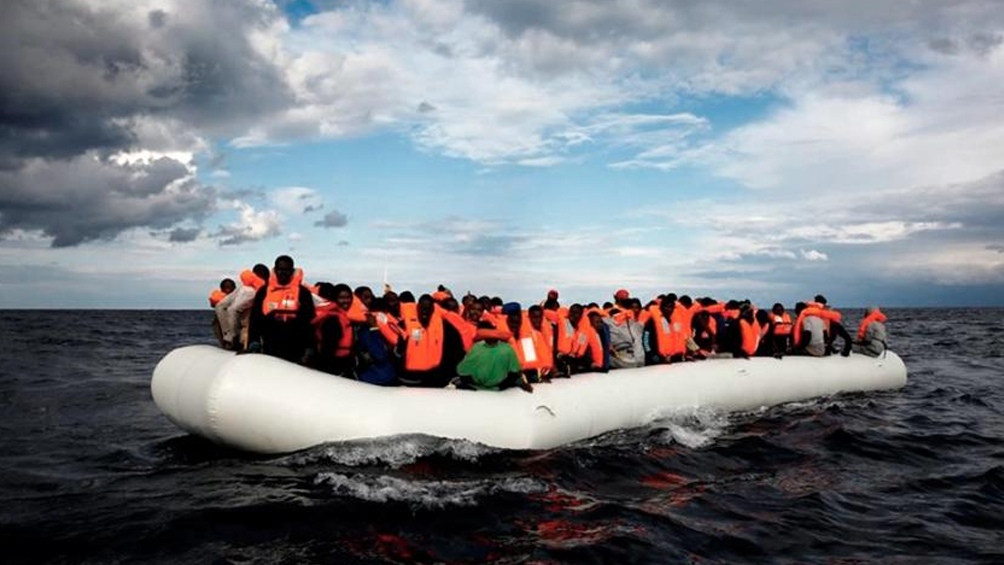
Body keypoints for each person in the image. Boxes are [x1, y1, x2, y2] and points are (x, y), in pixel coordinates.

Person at [246, 255, 316, 363]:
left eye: (287, 270)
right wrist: (253, 340)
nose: (283, 273)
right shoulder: (263, 291)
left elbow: (310, 321)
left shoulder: (303, 293)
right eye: (280, 269)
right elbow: (255, 319)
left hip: (296, 346)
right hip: (270, 344)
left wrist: (310, 347)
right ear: (275, 270)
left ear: (292, 271)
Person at [398, 293, 465, 387]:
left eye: (428, 309)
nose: (425, 312)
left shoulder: (445, 327)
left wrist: (448, 372)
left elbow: (457, 350)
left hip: (434, 378)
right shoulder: (404, 325)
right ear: (417, 308)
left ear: (433, 310)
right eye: (422, 308)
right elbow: (397, 352)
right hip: (409, 378)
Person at [454, 321, 533, 392]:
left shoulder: (505, 349)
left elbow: (462, 370)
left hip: (495, 386)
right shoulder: (478, 347)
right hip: (487, 386)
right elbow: (515, 371)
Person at [214, 264, 269, 350]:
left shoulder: (243, 288)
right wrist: (233, 336)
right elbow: (233, 310)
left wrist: (227, 333)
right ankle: (233, 341)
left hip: (242, 328)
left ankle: (229, 341)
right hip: (247, 330)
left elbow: (220, 306)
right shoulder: (254, 291)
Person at [312, 283, 355, 376]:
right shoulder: (333, 320)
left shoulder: (342, 317)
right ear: (334, 299)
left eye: (348, 297)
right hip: (334, 367)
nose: (346, 301)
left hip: (342, 363)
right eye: (341, 298)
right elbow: (327, 351)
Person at [355, 298, 399, 386]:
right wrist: (374, 329)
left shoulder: (365, 328)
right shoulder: (371, 329)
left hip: (378, 377)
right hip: (376, 378)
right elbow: (379, 355)